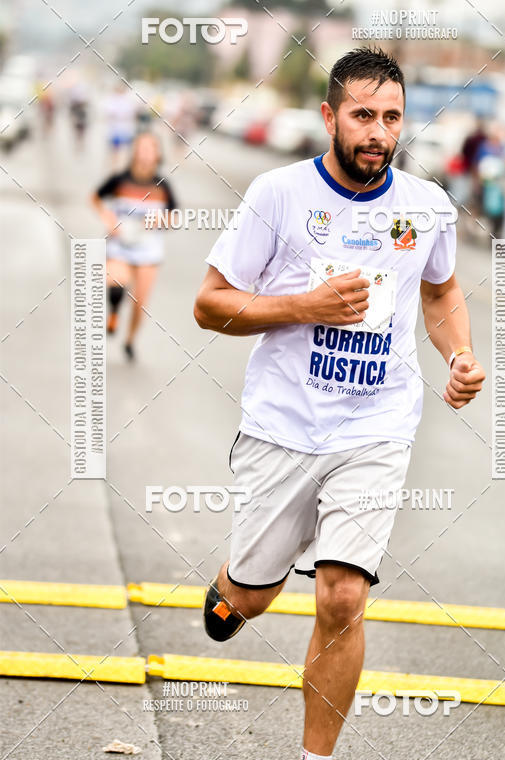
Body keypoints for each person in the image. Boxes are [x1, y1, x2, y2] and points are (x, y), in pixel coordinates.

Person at [193, 47, 485, 760]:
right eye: (362, 116)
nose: (378, 133)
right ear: (329, 117)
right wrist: (305, 306)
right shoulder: (278, 195)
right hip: (283, 427)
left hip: (377, 427)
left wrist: (459, 355)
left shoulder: (426, 207)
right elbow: (209, 305)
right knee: (246, 601)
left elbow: (441, 291)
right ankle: (239, 584)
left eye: (391, 118)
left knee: (343, 596)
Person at [91, 132, 177, 361]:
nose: (146, 153)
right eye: (142, 148)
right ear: (135, 152)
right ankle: (114, 312)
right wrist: (108, 218)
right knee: (115, 281)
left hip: (149, 250)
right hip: (120, 246)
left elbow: (174, 217)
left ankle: (130, 340)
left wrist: (161, 220)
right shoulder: (120, 179)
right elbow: (95, 198)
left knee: (140, 303)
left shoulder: (163, 186)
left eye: (151, 149)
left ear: (158, 154)